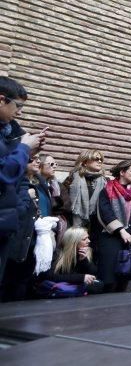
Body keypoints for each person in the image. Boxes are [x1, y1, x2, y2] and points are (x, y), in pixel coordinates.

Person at [0, 77, 43, 284]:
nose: (20, 112)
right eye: (18, 106)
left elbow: (16, 176)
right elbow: (4, 173)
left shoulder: (9, 134)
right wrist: (24, 148)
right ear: (1, 100)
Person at [95, 160, 131, 292]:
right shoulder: (106, 191)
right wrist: (121, 231)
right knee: (109, 279)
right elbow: (106, 213)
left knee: (126, 278)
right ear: (122, 172)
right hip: (111, 238)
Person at [36, 226, 103, 295]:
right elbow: (50, 276)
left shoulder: (85, 252)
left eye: (88, 238)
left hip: (75, 284)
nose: (88, 241)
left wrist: (84, 260)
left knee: (98, 284)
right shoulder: (58, 254)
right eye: (84, 239)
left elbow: (93, 274)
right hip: (60, 284)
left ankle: (77, 290)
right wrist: (81, 277)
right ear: (74, 242)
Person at [62, 149, 107, 228]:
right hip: (75, 224)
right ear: (85, 162)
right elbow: (65, 203)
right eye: (96, 159)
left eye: (101, 160)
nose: (100, 161)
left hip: (98, 224)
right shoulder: (71, 180)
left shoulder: (105, 182)